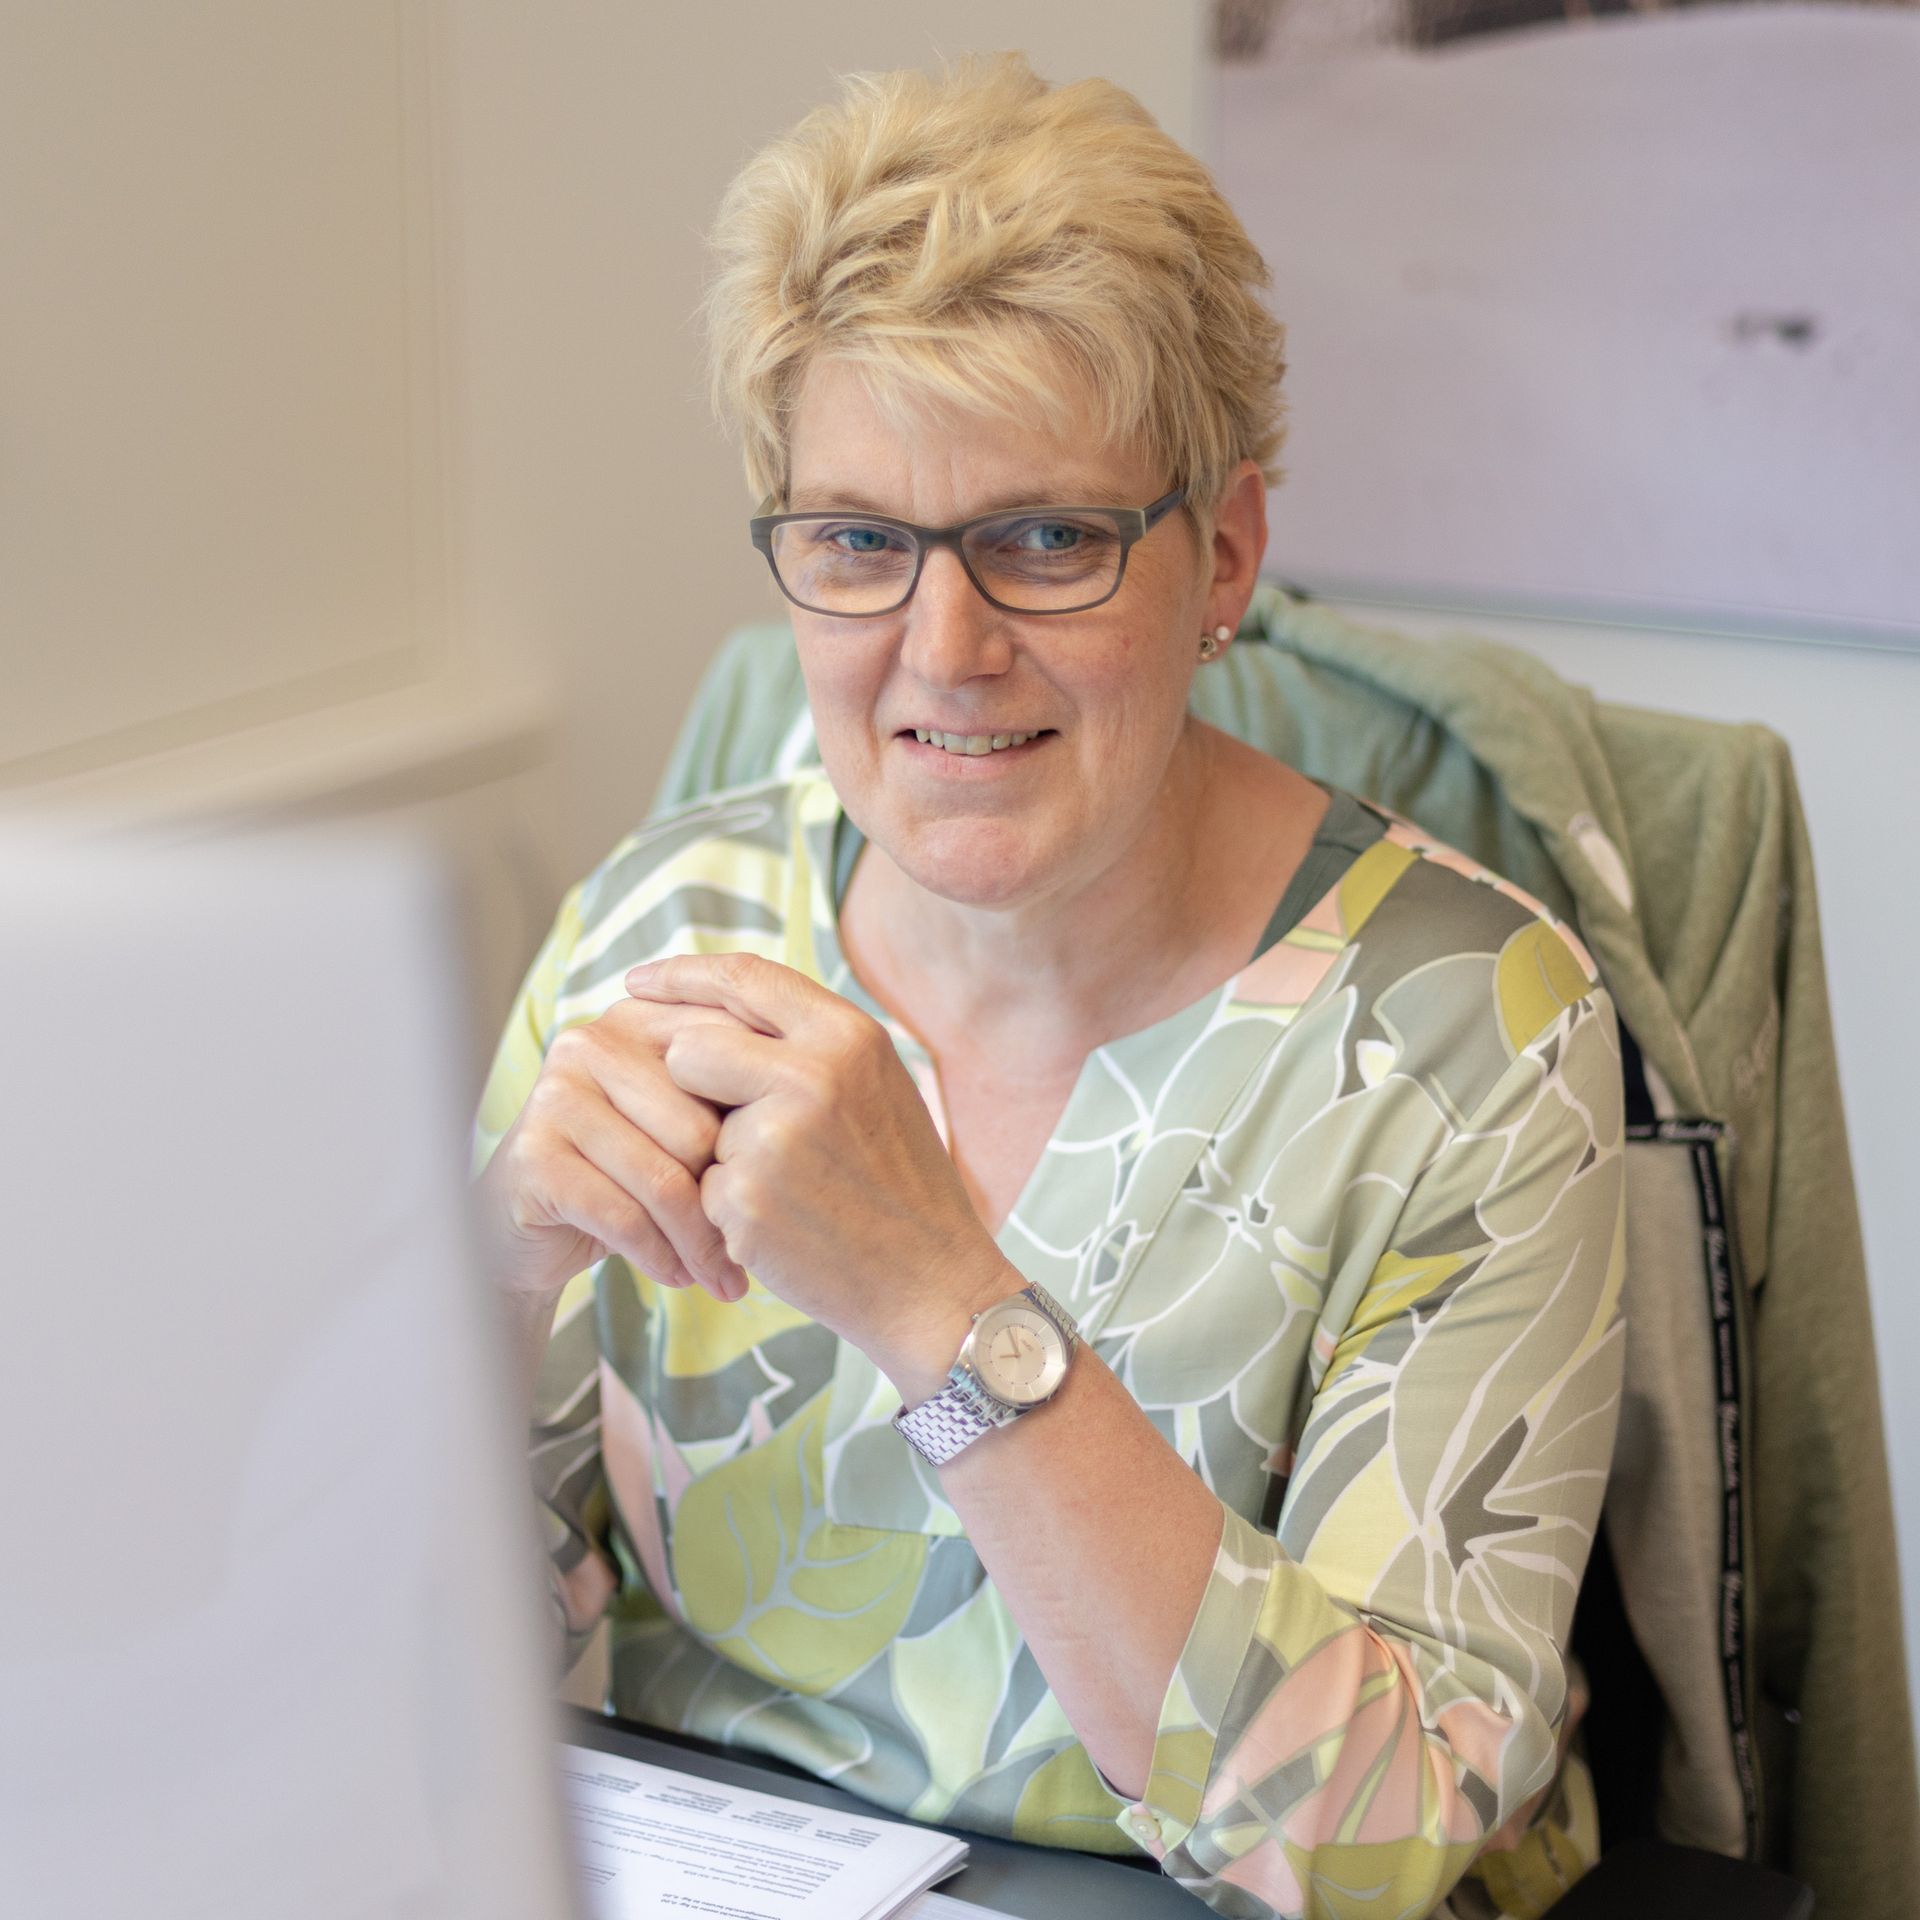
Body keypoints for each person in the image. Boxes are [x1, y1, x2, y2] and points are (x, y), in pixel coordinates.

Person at [471, 54, 1626, 1920]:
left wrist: (942, 1301)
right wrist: (487, 1276)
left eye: (1044, 540)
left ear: (1222, 556)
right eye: (857, 540)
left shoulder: (1468, 1029)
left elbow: (1378, 1836)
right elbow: (379, 1674)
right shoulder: (659, 921)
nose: (944, 650)